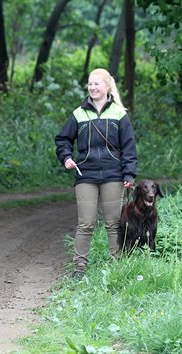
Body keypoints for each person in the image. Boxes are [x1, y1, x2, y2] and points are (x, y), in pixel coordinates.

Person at [55, 68, 137, 279]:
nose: (92, 88)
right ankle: (79, 268)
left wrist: (129, 175)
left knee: (113, 223)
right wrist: (66, 157)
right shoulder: (78, 114)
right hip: (85, 174)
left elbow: (129, 147)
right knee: (86, 223)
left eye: (96, 84)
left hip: (113, 174)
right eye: (90, 84)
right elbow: (62, 139)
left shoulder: (119, 114)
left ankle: (116, 265)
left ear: (107, 86)